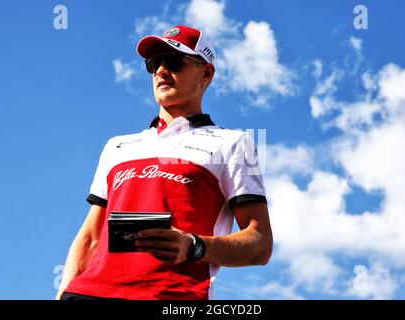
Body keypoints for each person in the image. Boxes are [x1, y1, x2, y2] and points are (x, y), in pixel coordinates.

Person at [56, 25, 273, 300]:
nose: (160, 70)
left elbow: (261, 243)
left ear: (206, 73)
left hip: (170, 297)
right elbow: (91, 236)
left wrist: (194, 246)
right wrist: (63, 292)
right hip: (86, 294)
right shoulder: (117, 146)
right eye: (153, 63)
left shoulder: (235, 143)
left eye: (172, 61)